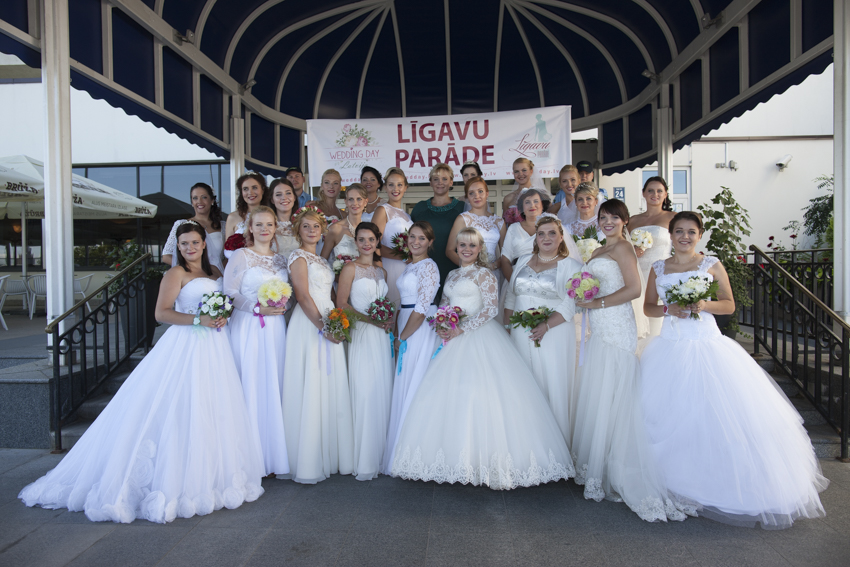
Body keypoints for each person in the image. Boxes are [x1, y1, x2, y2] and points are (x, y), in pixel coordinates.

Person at [19, 223, 265, 523]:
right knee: (180, 405)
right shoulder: (175, 274)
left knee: (212, 406)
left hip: (216, 346)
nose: (190, 248)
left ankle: (211, 472)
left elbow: (224, 302)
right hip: (187, 344)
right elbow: (162, 313)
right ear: (178, 247)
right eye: (184, 243)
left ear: (204, 244)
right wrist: (199, 319)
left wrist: (222, 315)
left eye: (195, 242)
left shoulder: (214, 271)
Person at [640, 212, 828, 528]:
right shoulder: (659, 267)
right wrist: (668, 308)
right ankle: (673, 479)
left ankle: (718, 481)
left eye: (691, 231)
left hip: (706, 343)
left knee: (714, 412)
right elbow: (648, 306)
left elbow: (728, 304)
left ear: (699, 235)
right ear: (670, 235)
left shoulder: (710, 263)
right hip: (669, 345)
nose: (684, 237)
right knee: (669, 413)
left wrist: (704, 305)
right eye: (679, 231)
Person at [390, 228, 575, 490]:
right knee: (448, 394)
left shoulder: (484, 274)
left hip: (479, 336)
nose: (466, 249)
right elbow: (444, 304)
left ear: (479, 250)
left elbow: (489, 309)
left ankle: (483, 459)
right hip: (452, 337)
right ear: (456, 248)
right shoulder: (452, 274)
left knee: (478, 393)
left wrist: (461, 328)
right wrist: (442, 322)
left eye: (472, 245)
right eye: (462, 245)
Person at [570, 199, 689, 522]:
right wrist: (583, 296)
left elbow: (635, 289)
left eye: (614, 217)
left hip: (617, 324)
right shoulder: (597, 250)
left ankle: (619, 464)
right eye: (603, 217)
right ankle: (599, 461)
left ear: (625, 221)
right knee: (600, 390)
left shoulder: (623, 248)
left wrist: (599, 304)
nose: (607, 222)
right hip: (599, 326)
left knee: (617, 390)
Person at [282, 209, 354, 484]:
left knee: (329, 381)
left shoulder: (323, 261)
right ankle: (309, 458)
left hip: (329, 317)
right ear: (298, 230)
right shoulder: (298, 257)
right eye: (306, 226)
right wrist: (323, 326)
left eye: (316, 226)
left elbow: (331, 294)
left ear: (323, 230)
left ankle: (331, 453)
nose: (312, 231)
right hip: (310, 322)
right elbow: (302, 295)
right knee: (312, 379)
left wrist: (337, 321)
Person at [224, 206, 290, 478]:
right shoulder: (241, 255)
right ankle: (248, 457)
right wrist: (255, 307)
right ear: (250, 228)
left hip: (275, 328)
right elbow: (229, 292)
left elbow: (289, 293)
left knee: (273, 382)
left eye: (269, 224)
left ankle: (272, 454)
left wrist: (281, 303)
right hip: (249, 324)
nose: (264, 229)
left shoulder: (281, 260)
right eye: (259, 224)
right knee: (250, 382)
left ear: (275, 228)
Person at [504, 216, 582, 441]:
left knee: (550, 381)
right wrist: (507, 328)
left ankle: (554, 441)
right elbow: (511, 295)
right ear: (535, 238)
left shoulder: (572, 266)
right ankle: (525, 439)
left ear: (561, 237)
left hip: (553, 333)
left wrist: (546, 325)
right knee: (522, 382)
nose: (546, 238)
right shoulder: (522, 261)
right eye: (541, 234)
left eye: (552, 233)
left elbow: (571, 303)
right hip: (520, 332)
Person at [336, 222, 394, 481]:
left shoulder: (382, 272)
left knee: (381, 387)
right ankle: (364, 456)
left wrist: (387, 319)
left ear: (377, 241)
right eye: (362, 239)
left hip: (381, 336)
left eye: (371, 239)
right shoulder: (350, 268)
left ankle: (381, 454)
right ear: (356, 242)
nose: (367, 244)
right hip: (362, 333)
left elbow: (385, 302)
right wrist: (371, 320)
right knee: (365, 389)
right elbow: (342, 303)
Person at [382, 222, 441, 474]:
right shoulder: (410, 265)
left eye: (422, 238)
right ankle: (403, 449)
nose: (416, 242)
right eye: (412, 237)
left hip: (419, 327)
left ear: (430, 242)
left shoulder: (429, 267)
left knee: (416, 380)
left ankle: (419, 451)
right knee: (406, 379)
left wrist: (402, 337)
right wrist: (397, 328)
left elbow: (422, 307)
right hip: (406, 320)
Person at [628, 176, 677, 341]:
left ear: (665, 194)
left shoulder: (673, 218)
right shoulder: (633, 220)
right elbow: (622, 246)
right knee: (636, 321)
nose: (654, 194)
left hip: (661, 274)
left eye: (659, 191)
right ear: (643, 193)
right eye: (650, 190)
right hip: (637, 274)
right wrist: (632, 250)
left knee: (658, 325)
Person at [410, 163, 465, 301]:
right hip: (424, 269)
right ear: (430, 183)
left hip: (453, 268)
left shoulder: (461, 208)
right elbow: (410, 238)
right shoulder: (420, 208)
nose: (440, 183)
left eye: (444, 179)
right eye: (436, 179)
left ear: (451, 182)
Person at [446, 176, 505, 280]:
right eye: (471, 193)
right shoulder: (463, 219)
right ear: (467, 197)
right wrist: (469, 267)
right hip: (471, 274)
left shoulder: (499, 221)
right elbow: (449, 250)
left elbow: (506, 254)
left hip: (494, 273)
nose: (476, 196)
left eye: (480, 191)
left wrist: (493, 266)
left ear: (487, 193)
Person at [372, 168, 413, 306]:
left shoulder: (406, 215)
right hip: (390, 268)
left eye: (399, 185)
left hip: (407, 269)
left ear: (405, 187)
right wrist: (403, 257)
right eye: (391, 185)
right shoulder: (382, 210)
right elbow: (374, 244)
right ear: (385, 187)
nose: (395, 189)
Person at [162, 182, 225, 272]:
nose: (199, 201)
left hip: (217, 274)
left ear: (212, 200)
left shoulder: (223, 226)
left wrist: (219, 270)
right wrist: (192, 268)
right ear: (192, 202)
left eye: (204, 197)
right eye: (195, 198)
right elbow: (166, 256)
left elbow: (230, 255)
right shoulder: (181, 224)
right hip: (192, 274)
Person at [225, 173, 270, 259]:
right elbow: (227, 249)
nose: (250, 192)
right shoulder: (233, 217)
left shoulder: (271, 215)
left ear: (263, 190)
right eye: (245, 189)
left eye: (254, 187)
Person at [321, 183, 365, 262]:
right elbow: (322, 261)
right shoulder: (335, 229)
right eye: (351, 199)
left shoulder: (369, 229)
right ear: (346, 202)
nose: (355, 203)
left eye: (359, 199)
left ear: (366, 202)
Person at [501, 158, 544, 226]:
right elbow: (504, 224)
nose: (520, 174)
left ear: (531, 171)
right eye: (516, 171)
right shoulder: (508, 198)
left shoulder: (541, 195)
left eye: (524, 170)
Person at [269, 178, 300, 260]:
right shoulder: (266, 225)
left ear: (294, 197)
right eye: (278, 194)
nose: (284, 198)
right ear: (272, 200)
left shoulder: (303, 224)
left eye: (288, 193)